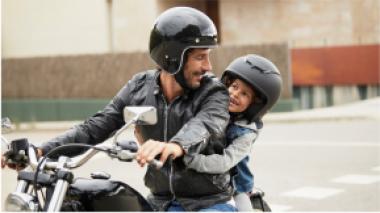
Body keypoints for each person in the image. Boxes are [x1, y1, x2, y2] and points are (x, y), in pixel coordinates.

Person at [4, 7, 235, 212]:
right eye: (200, 57)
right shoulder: (139, 88)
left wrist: (174, 145)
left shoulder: (214, 93)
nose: (208, 66)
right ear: (173, 58)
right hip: (160, 202)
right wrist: (43, 150)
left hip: (209, 202)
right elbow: (96, 126)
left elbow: (205, 125)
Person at [183, 54, 283, 211]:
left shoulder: (246, 133)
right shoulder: (215, 109)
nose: (236, 94)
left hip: (236, 183)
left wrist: (193, 161)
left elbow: (224, 162)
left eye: (245, 94)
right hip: (210, 178)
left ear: (255, 105)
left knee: (243, 208)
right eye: (235, 87)